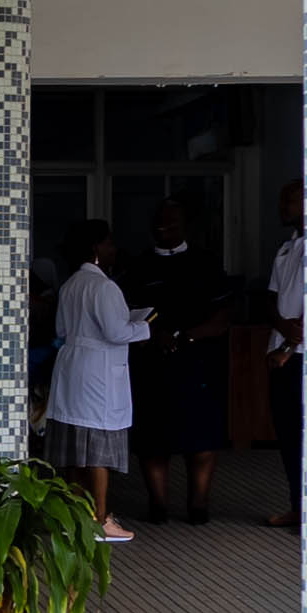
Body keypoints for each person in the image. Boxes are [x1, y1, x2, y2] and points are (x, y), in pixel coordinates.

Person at [43, 219, 143, 544]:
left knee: (75, 445)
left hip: (72, 367)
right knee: (99, 446)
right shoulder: (104, 287)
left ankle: (75, 517)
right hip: (99, 372)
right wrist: (145, 327)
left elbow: (61, 330)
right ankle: (99, 519)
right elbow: (116, 332)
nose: (114, 249)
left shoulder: (70, 284)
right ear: (95, 249)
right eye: (109, 243)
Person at [132, 193, 226, 526]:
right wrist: (153, 334)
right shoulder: (139, 265)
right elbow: (126, 314)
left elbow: (222, 316)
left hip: (198, 364)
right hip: (152, 365)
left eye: (172, 220)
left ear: (186, 224)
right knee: (153, 441)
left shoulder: (206, 262)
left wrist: (189, 335)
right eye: (159, 221)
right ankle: (158, 506)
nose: (164, 226)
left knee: (202, 439)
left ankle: (198, 506)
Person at [257, 193, 307, 528]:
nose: (282, 207)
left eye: (288, 201)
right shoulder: (287, 247)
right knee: (288, 436)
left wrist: (289, 344)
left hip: (302, 356)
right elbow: (271, 297)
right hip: (281, 354)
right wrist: (282, 329)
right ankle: (298, 507)